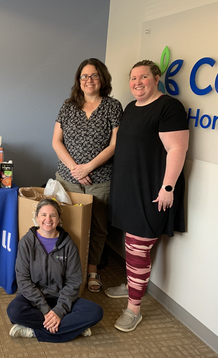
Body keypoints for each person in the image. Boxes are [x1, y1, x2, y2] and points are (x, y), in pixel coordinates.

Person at [106, 60, 189, 333]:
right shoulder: (131, 107)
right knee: (131, 243)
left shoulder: (169, 107)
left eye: (143, 77)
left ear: (156, 78)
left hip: (153, 190)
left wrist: (168, 188)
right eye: (132, 78)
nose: (137, 82)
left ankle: (134, 308)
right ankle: (132, 284)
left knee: (139, 248)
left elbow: (177, 150)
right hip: (130, 189)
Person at [52, 58, 123, 293]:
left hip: (100, 179)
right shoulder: (68, 105)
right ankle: (71, 268)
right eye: (84, 76)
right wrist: (75, 168)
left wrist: (88, 167)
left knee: (98, 227)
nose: (89, 80)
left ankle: (92, 270)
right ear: (78, 80)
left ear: (102, 79)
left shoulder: (112, 106)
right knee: (68, 225)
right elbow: (56, 141)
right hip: (67, 178)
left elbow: (115, 144)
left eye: (94, 75)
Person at [7, 198, 103, 342]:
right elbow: (23, 280)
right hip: (32, 299)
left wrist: (59, 310)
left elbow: (74, 281)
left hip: (60, 297)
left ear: (59, 219)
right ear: (37, 218)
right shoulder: (26, 243)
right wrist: (45, 310)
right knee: (14, 312)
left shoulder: (69, 245)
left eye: (53, 215)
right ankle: (72, 327)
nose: (48, 219)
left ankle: (34, 331)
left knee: (96, 312)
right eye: (43, 215)